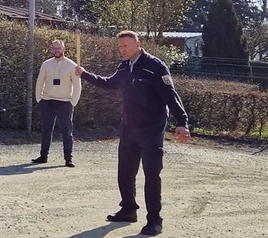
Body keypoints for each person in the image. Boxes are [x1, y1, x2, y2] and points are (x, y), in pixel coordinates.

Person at [75, 30, 191, 237]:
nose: (122, 50)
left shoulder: (155, 66)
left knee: (151, 173)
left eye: (126, 46)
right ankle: (128, 210)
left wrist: (182, 122)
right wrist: (84, 74)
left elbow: (170, 95)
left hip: (152, 128)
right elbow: (109, 83)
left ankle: (154, 220)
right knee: (125, 171)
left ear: (138, 43)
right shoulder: (123, 67)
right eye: (120, 47)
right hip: (129, 127)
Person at [32, 39, 82, 167]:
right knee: (46, 130)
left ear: (64, 49)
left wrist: (73, 102)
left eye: (59, 48)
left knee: (67, 132)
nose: (56, 50)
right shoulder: (46, 64)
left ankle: (68, 159)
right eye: (54, 48)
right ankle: (43, 156)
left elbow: (77, 85)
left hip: (65, 103)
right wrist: (39, 99)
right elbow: (39, 82)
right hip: (47, 101)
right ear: (51, 50)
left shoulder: (72, 65)